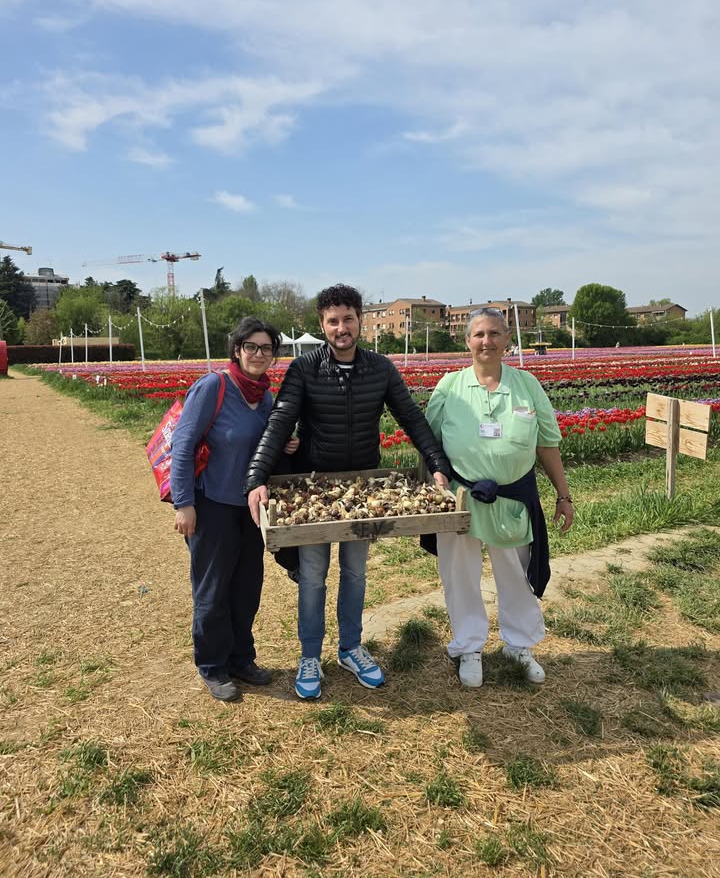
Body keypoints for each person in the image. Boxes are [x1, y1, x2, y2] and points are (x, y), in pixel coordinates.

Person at [247, 284, 450, 700]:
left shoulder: (381, 369)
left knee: (356, 572)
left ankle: (351, 647)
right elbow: (280, 423)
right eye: (333, 321)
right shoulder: (305, 370)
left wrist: (437, 466)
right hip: (315, 487)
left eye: (349, 319)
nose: (342, 327)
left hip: (363, 488)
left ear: (361, 321)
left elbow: (410, 416)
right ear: (322, 325)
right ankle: (309, 655)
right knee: (314, 577)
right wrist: (257, 479)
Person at [425, 307, 574, 689]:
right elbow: (429, 443)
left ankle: (519, 644)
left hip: (512, 497)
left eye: (494, 334)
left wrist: (563, 494)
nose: (486, 341)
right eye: (479, 335)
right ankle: (469, 645)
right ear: (467, 342)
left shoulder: (526, 385)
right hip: (461, 497)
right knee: (459, 573)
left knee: (516, 572)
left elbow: (547, 443)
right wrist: (433, 487)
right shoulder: (449, 387)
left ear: (507, 340)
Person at [170, 317, 298, 702]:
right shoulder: (214, 387)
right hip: (211, 508)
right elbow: (183, 445)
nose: (259, 354)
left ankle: (242, 658)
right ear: (237, 350)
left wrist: (285, 445)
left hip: (250, 510)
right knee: (212, 590)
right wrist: (184, 504)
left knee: (246, 588)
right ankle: (212, 665)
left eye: (266, 348)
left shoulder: (265, 396)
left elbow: (262, 445)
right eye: (251, 347)